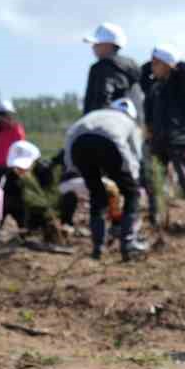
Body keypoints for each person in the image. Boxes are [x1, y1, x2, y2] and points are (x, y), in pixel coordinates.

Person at [64, 96, 146, 260]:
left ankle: (98, 248)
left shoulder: (95, 114)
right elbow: (136, 154)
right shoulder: (129, 122)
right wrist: (134, 181)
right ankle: (128, 243)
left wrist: (71, 165)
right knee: (131, 194)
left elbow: (70, 134)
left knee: (97, 194)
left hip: (79, 145)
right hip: (109, 144)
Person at [140, 44, 185, 226]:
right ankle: (155, 215)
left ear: (167, 65)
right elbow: (142, 75)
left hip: (178, 139)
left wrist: (174, 61)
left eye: (156, 64)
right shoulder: (153, 88)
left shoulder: (181, 86)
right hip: (157, 140)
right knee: (154, 178)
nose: (152, 68)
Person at [0, 140, 64, 242]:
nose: (19, 170)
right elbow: (6, 202)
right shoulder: (10, 176)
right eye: (16, 167)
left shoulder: (44, 174)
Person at [82, 22, 142, 113]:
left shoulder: (101, 68)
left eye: (97, 43)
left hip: (106, 123)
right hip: (131, 125)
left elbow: (101, 101)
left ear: (108, 45)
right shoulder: (133, 71)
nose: (93, 46)